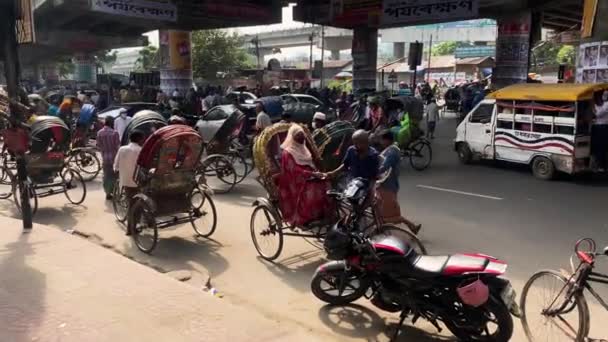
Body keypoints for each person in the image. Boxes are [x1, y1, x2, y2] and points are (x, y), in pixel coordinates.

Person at [277, 125, 333, 226]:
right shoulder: (287, 152)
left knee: (326, 184)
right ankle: (307, 217)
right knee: (311, 189)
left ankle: (322, 215)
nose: (301, 138)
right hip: (294, 179)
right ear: (293, 137)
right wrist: (311, 174)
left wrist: (317, 173)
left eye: (302, 135)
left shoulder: (304, 148)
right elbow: (293, 169)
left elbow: (310, 163)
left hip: (309, 175)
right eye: (298, 135)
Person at [377, 130, 421, 234]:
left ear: (386, 140)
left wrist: (372, 172)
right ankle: (412, 226)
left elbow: (384, 167)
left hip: (388, 185)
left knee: (390, 215)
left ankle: (411, 227)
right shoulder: (391, 150)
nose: (380, 142)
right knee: (385, 212)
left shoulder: (392, 152)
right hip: (387, 184)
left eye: (381, 139)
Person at [114, 130, 145, 235]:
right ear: (139, 139)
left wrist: (118, 170)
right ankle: (130, 229)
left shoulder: (122, 149)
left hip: (125, 180)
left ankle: (132, 226)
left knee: (131, 203)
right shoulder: (140, 150)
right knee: (136, 205)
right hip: (136, 182)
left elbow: (116, 165)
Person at [96, 117, 120, 200]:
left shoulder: (99, 133)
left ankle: (107, 193)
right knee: (115, 176)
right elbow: (117, 147)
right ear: (111, 123)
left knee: (106, 176)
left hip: (105, 158)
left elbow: (98, 145)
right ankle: (114, 191)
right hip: (114, 158)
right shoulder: (115, 133)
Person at [592, 90, 608, 171]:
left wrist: (592, 105)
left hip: (602, 127)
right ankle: (599, 165)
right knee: (598, 147)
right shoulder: (600, 104)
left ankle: (601, 166)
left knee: (601, 147)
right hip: (598, 127)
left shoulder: (606, 104)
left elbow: (597, 114)